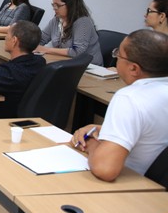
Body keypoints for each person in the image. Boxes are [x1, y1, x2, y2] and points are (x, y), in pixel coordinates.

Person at [72, 29, 168, 181]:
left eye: (118, 54)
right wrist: (105, 129)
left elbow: (105, 169)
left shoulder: (129, 97)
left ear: (133, 68)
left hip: (132, 184)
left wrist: (90, 143)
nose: (116, 57)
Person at [36, 0, 102, 65]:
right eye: (53, 5)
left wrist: (46, 49)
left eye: (58, 5)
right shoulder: (56, 20)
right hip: (65, 62)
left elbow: (77, 51)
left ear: (71, 5)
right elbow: (41, 39)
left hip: (88, 67)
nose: (54, 8)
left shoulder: (83, 22)